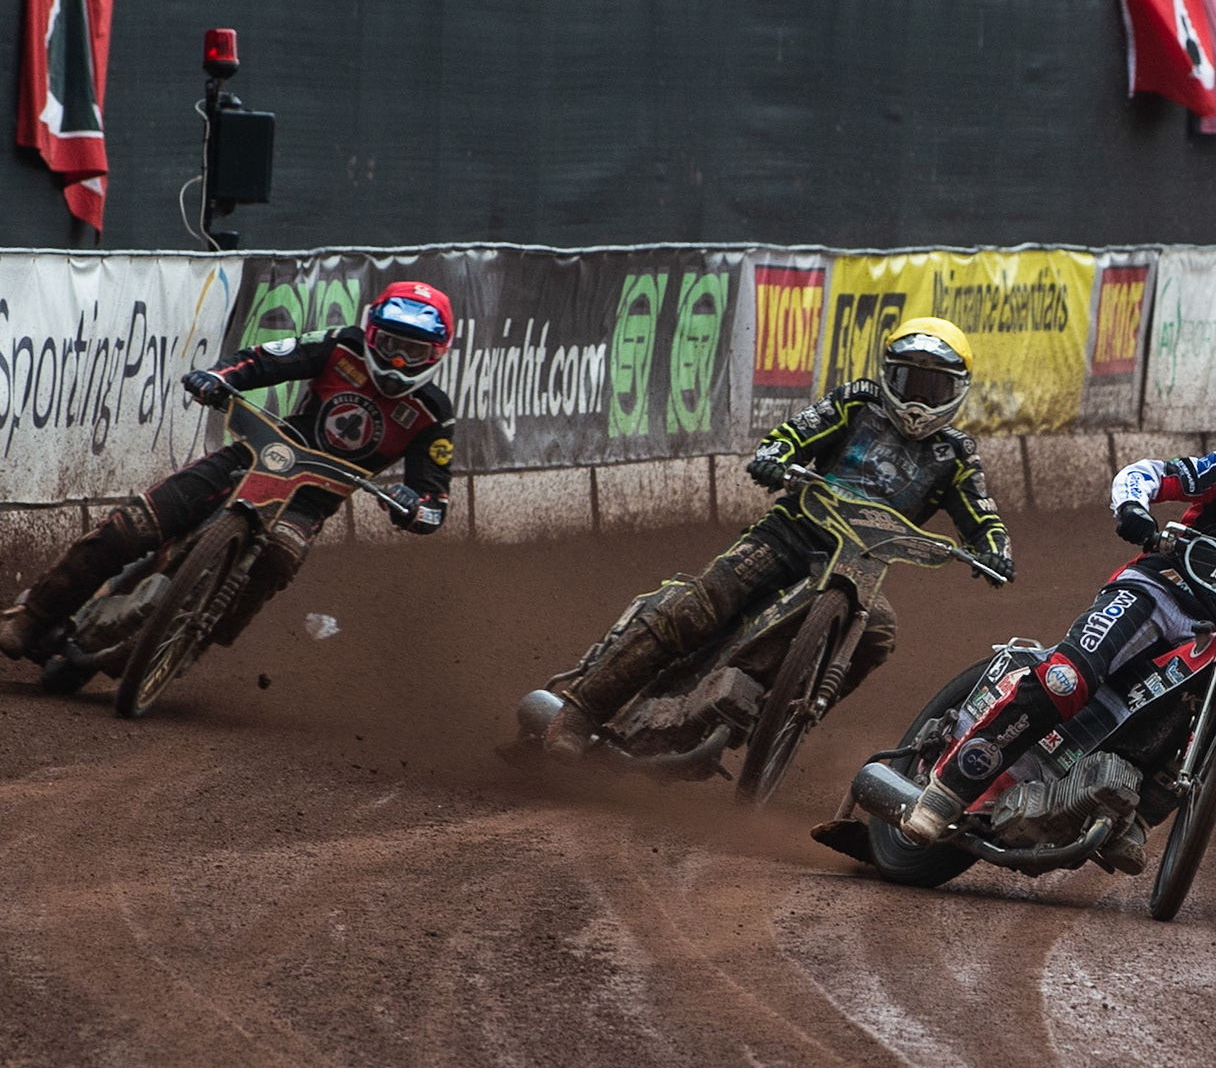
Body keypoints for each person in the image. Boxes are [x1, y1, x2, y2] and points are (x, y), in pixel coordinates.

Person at [898, 385, 1216, 874]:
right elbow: (1149, 473)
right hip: (1161, 591)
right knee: (1068, 678)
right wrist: (1132, 507)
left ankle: (1141, 816)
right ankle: (948, 788)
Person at [540, 316, 1015, 758]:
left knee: (878, 634)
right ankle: (581, 712)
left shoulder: (954, 455)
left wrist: (995, 550)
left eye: (934, 386)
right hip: (791, 533)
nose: (919, 398)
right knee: (698, 607)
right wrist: (774, 455)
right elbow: (796, 432)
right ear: (889, 377)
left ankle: (786, 713)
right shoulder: (858, 403)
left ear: (958, 391)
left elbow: (982, 515)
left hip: (862, 566)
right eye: (911, 381)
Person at [0, 280, 456, 664]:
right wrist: (219, 377)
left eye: (412, 351)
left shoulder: (432, 414)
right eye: (391, 345)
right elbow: (266, 359)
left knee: (278, 555)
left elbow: (433, 499)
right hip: (259, 455)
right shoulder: (341, 347)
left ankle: (197, 639)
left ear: (437, 353)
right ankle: (34, 617)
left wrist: (415, 507)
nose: (397, 361)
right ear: (372, 332)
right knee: (135, 524)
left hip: (311, 499)